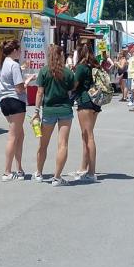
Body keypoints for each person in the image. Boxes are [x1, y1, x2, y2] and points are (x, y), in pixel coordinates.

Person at [33, 44, 76, 186]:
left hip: (48, 110)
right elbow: (72, 89)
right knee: (62, 144)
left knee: (43, 144)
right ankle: (57, 178)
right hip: (65, 110)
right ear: (61, 55)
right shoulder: (68, 73)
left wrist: (36, 111)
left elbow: (40, 92)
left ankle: (39, 173)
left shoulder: (44, 71)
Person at [0, 38, 29, 181]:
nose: (20, 52)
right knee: (13, 136)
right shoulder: (14, 65)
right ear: (14, 51)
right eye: (19, 50)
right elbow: (19, 88)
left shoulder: (0, 64)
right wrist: (28, 80)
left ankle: (19, 168)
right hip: (16, 101)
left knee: (19, 134)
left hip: (4, 101)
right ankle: (7, 171)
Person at [71, 42, 101, 182]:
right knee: (86, 135)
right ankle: (83, 168)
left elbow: (74, 85)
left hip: (85, 101)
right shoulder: (95, 65)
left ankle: (91, 172)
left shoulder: (81, 67)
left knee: (88, 136)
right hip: (95, 102)